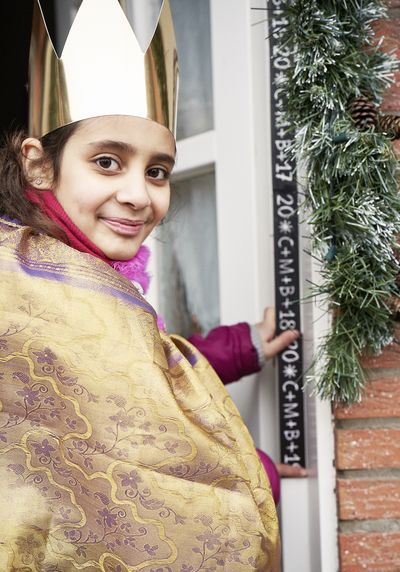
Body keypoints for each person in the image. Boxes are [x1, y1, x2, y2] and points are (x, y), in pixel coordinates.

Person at [0, 1, 294, 570]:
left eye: (157, 171)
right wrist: (250, 474)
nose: (140, 194)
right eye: (108, 162)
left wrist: (242, 349)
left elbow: (133, 378)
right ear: (38, 165)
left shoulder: (95, 277)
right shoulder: (27, 287)